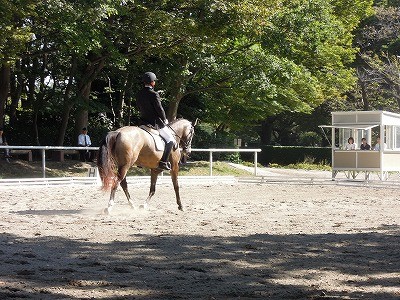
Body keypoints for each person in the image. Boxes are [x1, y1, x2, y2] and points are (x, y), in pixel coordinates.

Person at [136, 71, 175, 170]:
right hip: (155, 123)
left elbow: (140, 107)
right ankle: (163, 162)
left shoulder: (139, 94)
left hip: (143, 122)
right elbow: (159, 109)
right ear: (152, 82)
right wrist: (164, 119)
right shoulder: (154, 94)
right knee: (170, 140)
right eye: (154, 81)